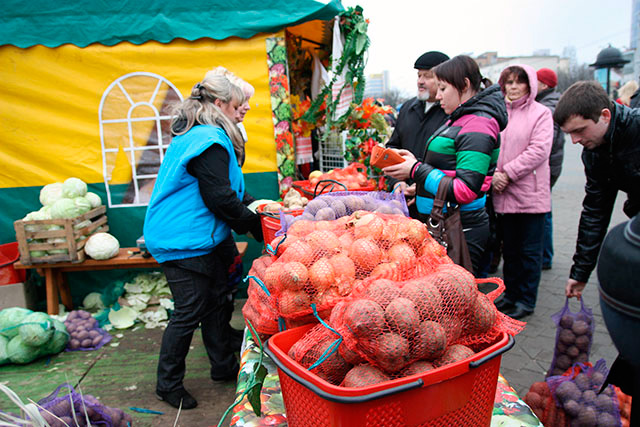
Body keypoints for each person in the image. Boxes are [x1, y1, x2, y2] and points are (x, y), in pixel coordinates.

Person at [144, 73, 263, 409]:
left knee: (217, 299)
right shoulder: (208, 139)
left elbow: (229, 190)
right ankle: (167, 384)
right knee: (190, 309)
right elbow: (220, 199)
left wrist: (258, 207)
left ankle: (223, 363)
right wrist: (256, 226)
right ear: (220, 104)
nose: (244, 110)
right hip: (181, 239)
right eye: (239, 105)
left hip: (200, 235)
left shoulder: (202, 135)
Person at [383, 55, 508, 275]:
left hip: (460, 227)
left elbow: (466, 189)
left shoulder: (478, 123)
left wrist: (415, 169)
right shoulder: (461, 117)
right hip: (445, 222)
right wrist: (417, 172)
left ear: (465, 85)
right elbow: (449, 168)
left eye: (443, 89)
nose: (438, 96)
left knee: (455, 297)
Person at [553, 80, 640, 299]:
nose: (575, 141)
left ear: (605, 116)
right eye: (568, 134)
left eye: (580, 130)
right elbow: (595, 212)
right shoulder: (593, 152)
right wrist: (580, 272)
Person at [492, 64, 553, 320]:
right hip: (502, 194)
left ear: (530, 85)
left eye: (519, 82)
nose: (513, 87)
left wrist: (507, 173)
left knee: (529, 252)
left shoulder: (541, 113)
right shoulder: (499, 112)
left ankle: (526, 300)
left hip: (529, 194)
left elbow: (539, 150)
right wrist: (493, 174)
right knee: (511, 250)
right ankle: (511, 294)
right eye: (509, 82)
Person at [385, 51, 450, 217]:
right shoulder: (408, 108)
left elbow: (451, 163)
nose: (420, 81)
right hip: (404, 204)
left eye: (427, 76)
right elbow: (393, 147)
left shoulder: (451, 113)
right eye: (419, 75)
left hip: (437, 206)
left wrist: (422, 184)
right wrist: (398, 182)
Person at [535, 68, 566, 270]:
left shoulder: (548, 107)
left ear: (545, 85)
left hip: (546, 169)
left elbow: (545, 144)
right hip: (550, 166)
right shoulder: (551, 103)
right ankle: (546, 256)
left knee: (544, 214)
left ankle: (545, 257)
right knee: (545, 212)